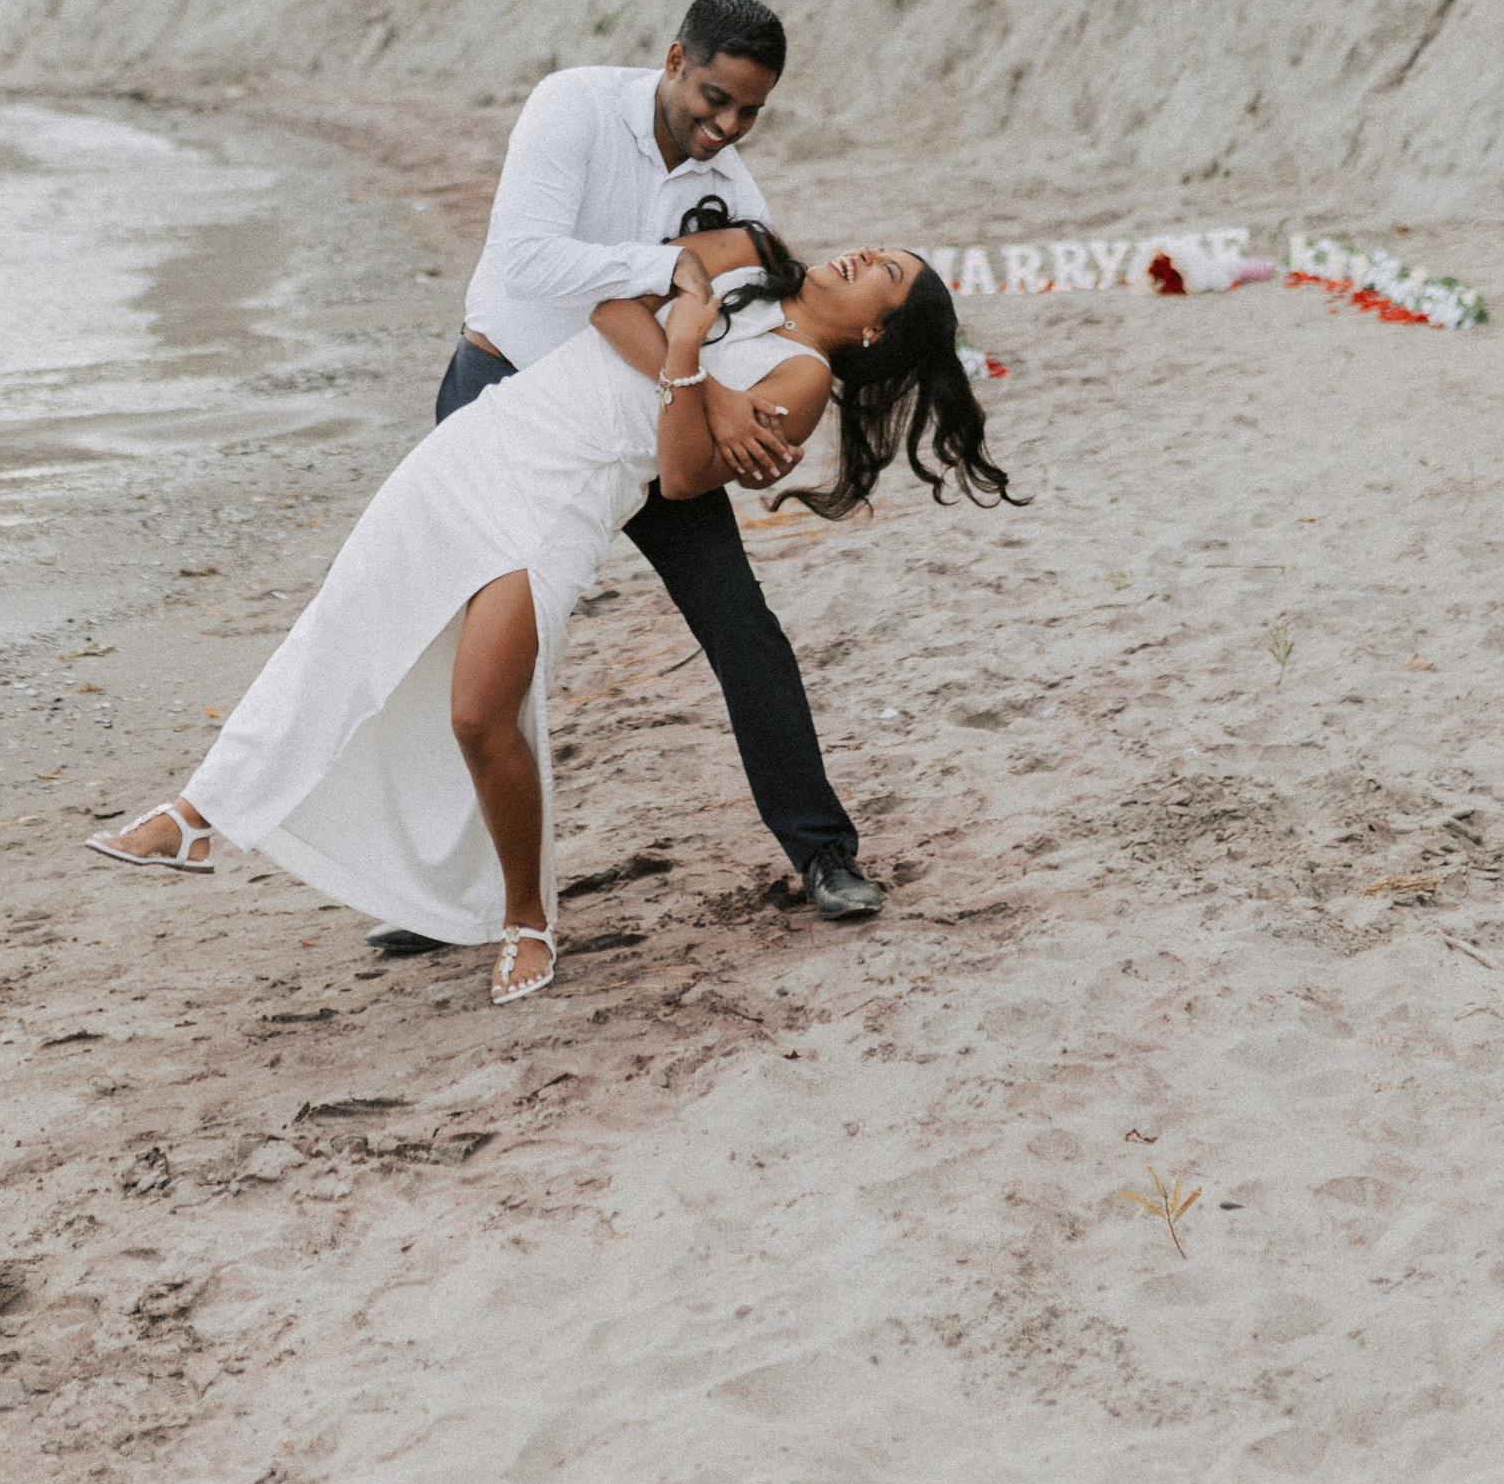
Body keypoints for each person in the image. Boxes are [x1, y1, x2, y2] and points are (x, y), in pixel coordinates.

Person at [87, 227, 1013, 1004]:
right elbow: (607, 302)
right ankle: (202, 811)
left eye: (886, 273)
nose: (861, 257)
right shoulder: (741, 261)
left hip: (569, 495)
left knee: (480, 713)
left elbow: (685, 475)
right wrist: (682, 324)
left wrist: (688, 352)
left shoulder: (803, 378)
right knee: (342, 628)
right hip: (490, 440)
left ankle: (526, 915)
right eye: (874, 247)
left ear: (878, 331)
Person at [429, 0, 879, 932]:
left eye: (750, 112)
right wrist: (684, 317)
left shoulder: (735, 199)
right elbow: (528, 263)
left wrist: (754, 425)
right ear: (675, 58)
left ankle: (823, 850)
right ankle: (453, 897)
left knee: (741, 625)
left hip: (639, 427)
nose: (726, 127)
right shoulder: (574, 106)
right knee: (484, 663)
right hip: (505, 397)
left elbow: (743, 328)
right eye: (715, 98)